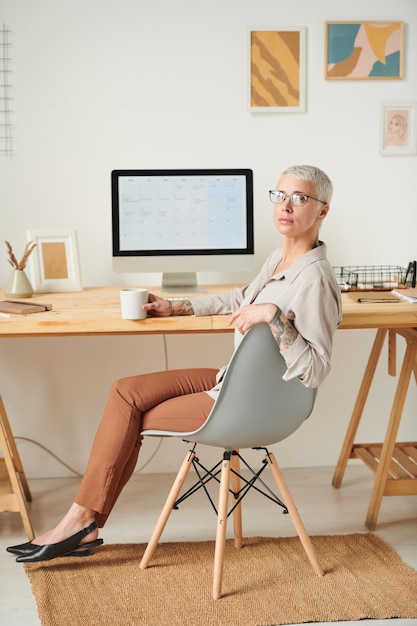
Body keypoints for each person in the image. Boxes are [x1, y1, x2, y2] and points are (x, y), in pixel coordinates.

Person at [7, 164, 342, 563]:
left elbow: (317, 370)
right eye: (280, 195)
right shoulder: (279, 258)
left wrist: (273, 316)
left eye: (300, 198)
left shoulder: (315, 279)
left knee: (133, 416)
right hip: (232, 381)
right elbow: (240, 299)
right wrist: (175, 307)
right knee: (125, 391)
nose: (286, 206)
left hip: (256, 403)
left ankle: (79, 522)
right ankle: (83, 524)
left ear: (322, 211)